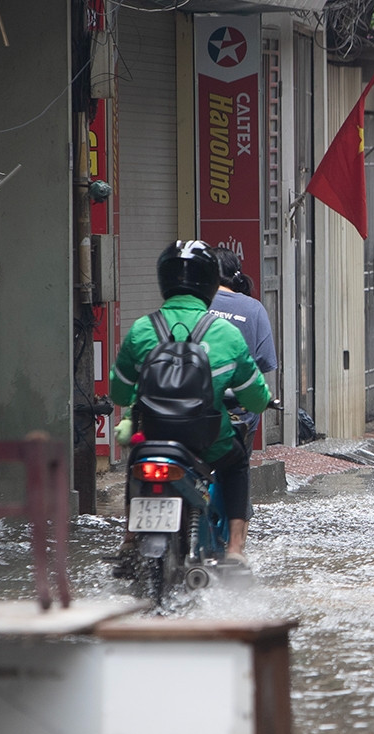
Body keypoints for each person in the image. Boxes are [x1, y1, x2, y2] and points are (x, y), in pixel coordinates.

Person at [111, 241, 269, 564]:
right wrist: (265, 399)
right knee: (237, 463)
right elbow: (255, 397)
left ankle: (129, 539)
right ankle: (236, 550)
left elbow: (119, 392)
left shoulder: (142, 329)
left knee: (134, 465)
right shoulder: (226, 334)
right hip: (207, 441)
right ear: (210, 282)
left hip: (151, 438)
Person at [208, 247, 277, 377]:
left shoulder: (196, 304)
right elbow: (266, 360)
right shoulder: (254, 309)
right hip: (242, 392)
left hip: (200, 393)